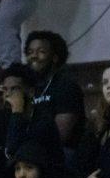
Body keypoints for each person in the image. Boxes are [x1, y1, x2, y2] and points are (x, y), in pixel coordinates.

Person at [25, 31, 84, 159]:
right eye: (29, 52)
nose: (33, 56)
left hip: (62, 154)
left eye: (41, 51)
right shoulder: (31, 88)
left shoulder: (66, 86)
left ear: (55, 57)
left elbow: (60, 137)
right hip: (33, 153)